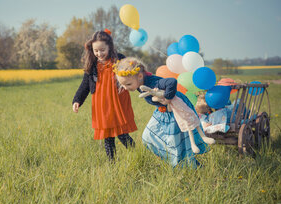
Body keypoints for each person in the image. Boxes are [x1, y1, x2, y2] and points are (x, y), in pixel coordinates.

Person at [113, 57, 213, 168]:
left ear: (140, 76)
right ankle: (175, 160)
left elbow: (172, 81)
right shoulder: (137, 81)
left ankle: (190, 166)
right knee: (148, 136)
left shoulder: (152, 82)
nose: (125, 88)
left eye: (128, 84)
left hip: (176, 109)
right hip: (162, 111)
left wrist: (168, 97)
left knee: (177, 141)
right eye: (122, 85)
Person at [72, 29, 137, 161]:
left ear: (109, 47)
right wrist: (77, 100)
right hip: (101, 103)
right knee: (108, 135)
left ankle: (137, 155)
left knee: (122, 134)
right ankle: (111, 163)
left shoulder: (119, 59)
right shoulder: (92, 64)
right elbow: (85, 84)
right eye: (96, 51)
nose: (99, 53)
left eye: (102, 50)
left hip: (117, 101)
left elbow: (132, 74)